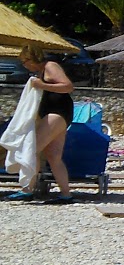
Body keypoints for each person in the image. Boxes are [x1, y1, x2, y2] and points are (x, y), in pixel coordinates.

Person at [15, 48, 75, 202]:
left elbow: (68, 86)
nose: (24, 66)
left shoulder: (50, 66)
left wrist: (42, 85)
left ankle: (27, 189)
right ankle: (66, 194)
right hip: (57, 113)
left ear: (33, 58)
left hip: (57, 112)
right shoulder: (42, 71)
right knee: (53, 156)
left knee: (32, 148)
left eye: (25, 62)